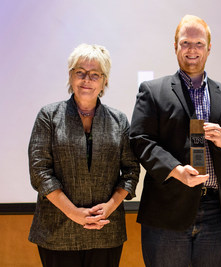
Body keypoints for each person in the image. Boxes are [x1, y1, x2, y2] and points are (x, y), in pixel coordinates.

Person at [130, 15, 221, 267]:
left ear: (209, 47)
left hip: (217, 213)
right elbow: (140, 139)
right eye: (185, 43)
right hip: (167, 211)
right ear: (175, 46)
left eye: (198, 43)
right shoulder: (152, 91)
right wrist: (176, 170)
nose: (192, 50)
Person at [28, 43, 140, 267]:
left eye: (94, 74)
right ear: (70, 76)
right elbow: (40, 172)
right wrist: (74, 213)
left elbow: (131, 171)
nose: (86, 79)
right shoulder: (48, 116)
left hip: (105, 229)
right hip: (57, 232)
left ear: (104, 80)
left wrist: (110, 205)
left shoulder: (119, 121)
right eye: (80, 72)